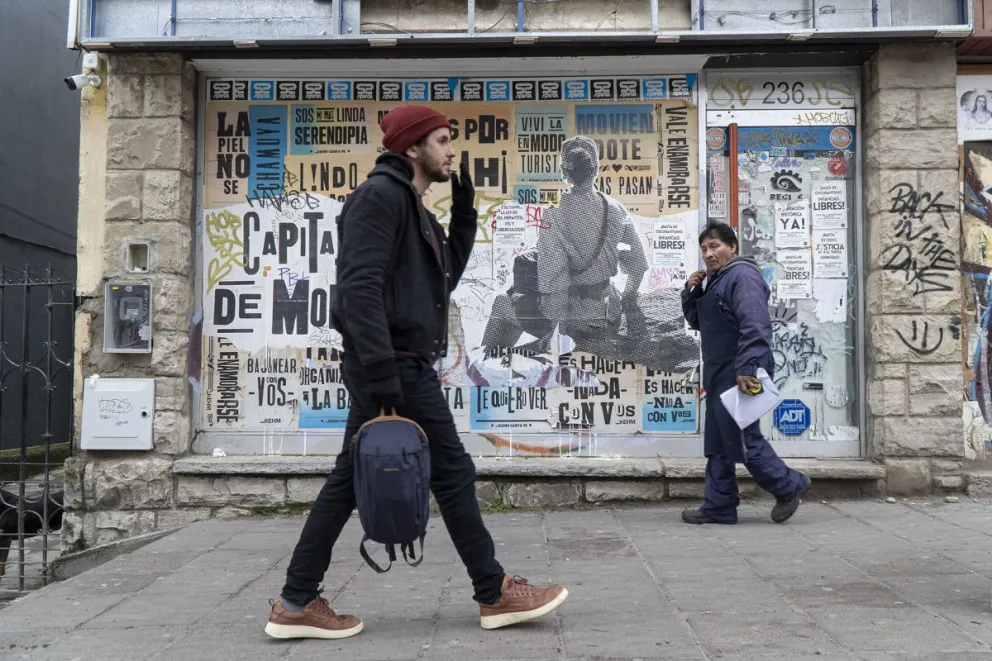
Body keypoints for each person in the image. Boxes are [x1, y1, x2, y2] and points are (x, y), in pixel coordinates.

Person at [264, 104, 568, 640]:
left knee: (348, 481)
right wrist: (381, 369)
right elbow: (358, 287)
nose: (452, 150)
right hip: (394, 363)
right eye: (443, 140)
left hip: (393, 361)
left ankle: (296, 598)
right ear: (411, 148)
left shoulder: (413, 207)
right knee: (451, 473)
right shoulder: (379, 199)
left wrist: (467, 211)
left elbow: (439, 282)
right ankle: (493, 590)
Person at [679, 221, 811, 525]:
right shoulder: (717, 280)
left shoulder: (743, 276)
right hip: (719, 372)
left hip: (741, 371)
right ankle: (719, 505)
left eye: (715, 246)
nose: (709, 254)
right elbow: (699, 322)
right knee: (718, 440)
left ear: (732, 247)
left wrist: (748, 367)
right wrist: (691, 291)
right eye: (704, 249)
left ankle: (788, 485)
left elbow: (755, 323)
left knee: (741, 437)